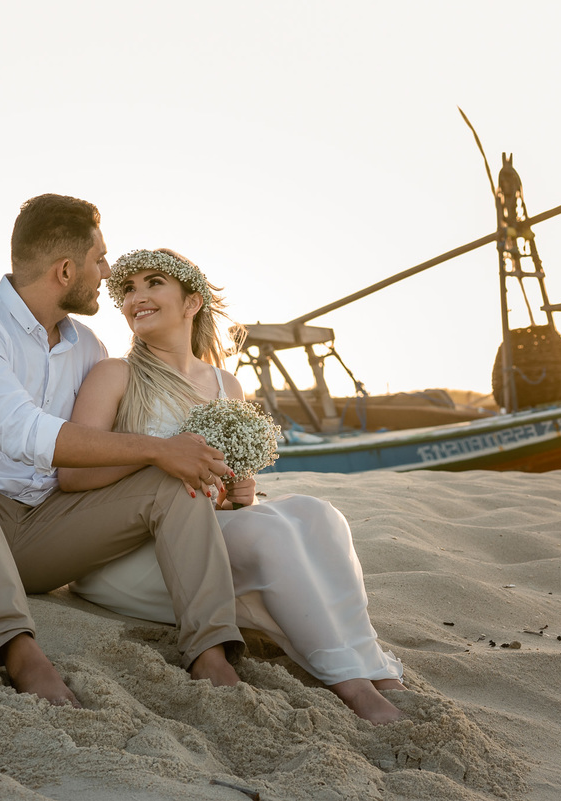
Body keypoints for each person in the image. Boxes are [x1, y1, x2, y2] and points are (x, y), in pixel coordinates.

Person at [0, 195, 246, 708]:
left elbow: (114, 446)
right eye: (100, 260)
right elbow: (22, 431)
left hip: (37, 533)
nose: (108, 272)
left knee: (168, 479)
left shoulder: (88, 347)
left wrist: (202, 467)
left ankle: (210, 651)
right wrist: (160, 447)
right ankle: (18, 649)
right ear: (66, 269)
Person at [57, 248, 407, 724]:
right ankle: (354, 688)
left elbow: (234, 483)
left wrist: (243, 491)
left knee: (316, 513)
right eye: (127, 289)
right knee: (270, 534)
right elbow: (73, 475)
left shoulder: (226, 384)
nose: (136, 296)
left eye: (152, 282)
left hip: (209, 537)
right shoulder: (115, 375)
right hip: (133, 556)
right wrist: (162, 457)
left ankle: (370, 665)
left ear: (192, 302)